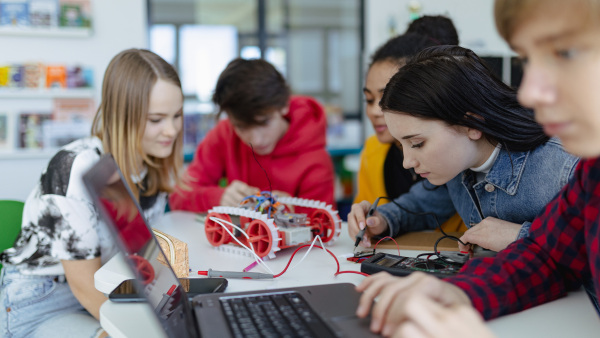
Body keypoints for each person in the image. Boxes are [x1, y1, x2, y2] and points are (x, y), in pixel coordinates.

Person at [355, 0, 600, 336]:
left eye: (565, 54)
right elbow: (547, 258)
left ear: (472, 123)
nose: (528, 93)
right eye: (527, 61)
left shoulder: (566, 164)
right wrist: (454, 293)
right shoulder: (592, 173)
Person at [0, 49, 184, 338]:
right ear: (122, 116)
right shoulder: (75, 167)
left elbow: (139, 255)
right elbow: (84, 284)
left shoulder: (151, 165)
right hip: (41, 301)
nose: (172, 130)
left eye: (177, 115)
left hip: (107, 291)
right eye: (157, 119)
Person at [348, 45, 579, 254]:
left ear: (471, 125)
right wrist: (381, 220)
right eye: (401, 144)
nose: (407, 162)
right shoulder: (456, 168)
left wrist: (521, 237)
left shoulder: (564, 165)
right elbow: (420, 204)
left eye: (417, 144)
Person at [169, 58, 334, 214]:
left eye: (264, 122)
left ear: (284, 105)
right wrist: (218, 197)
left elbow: (324, 229)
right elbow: (178, 197)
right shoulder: (223, 134)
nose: (255, 140)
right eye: (241, 127)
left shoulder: (316, 160)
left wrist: (296, 211)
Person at [355, 32, 466, 237]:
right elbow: (417, 205)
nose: (375, 112)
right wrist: (370, 221)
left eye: (387, 98)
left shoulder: (460, 158)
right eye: (369, 100)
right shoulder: (372, 152)